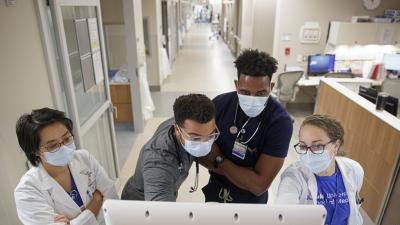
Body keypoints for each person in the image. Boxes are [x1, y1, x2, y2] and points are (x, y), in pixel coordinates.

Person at [200, 49, 293, 203]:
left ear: (271, 86)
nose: (252, 99)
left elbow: (258, 185)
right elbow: (200, 155)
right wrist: (246, 174)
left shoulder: (280, 122)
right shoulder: (219, 105)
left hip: (250, 203)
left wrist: (218, 158)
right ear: (236, 85)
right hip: (215, 192)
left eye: (261, 93)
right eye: (245, 92)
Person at [14, 108, 118, 225]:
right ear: (35, 152)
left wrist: (72, 222)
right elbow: (102, 198)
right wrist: (96, 201)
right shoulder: (27, 191)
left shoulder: (84, 158)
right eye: (53, 145)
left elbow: (112, 198)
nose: (63, 148)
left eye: (66, 138)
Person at [121, 94, 219, 201]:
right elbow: (162, 214)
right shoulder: (158, 164)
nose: (204, 143)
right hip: (140, 207)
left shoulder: (185, 122)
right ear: (177, 130)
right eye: (195, 138)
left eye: (210, 135)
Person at [276, 114, 364, 225]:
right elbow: (284, 213)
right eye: (303, 146)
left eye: (317, 146)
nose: (308, 153)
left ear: (336, 145)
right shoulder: (294, 177)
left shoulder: (353, 170)